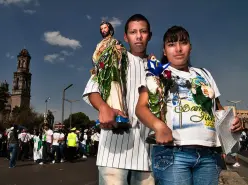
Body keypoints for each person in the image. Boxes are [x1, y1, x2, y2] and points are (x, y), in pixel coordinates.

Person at [135, 26, 243, 185]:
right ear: (164, 51)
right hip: (173, 153)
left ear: (190, 47)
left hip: (209, 155)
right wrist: (158, 126)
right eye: (171, 44)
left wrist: (233, 123)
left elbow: (218, 109)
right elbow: (141, 108)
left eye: (183, 43)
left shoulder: (204, 73)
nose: (178, 49)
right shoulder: (157, 73)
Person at [83, 14, 154, 185]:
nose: (138, 36)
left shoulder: (157, 67)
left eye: (143, 31)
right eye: (133, 32)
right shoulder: (114, 55)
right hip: (113, 154)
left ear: (149, 36)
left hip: (147, 157)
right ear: (125, 37)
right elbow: (93, 89)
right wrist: (103, 107)